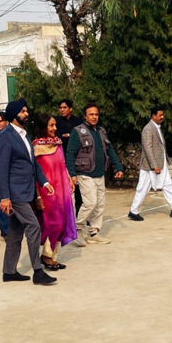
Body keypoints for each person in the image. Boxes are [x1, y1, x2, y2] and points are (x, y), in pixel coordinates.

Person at [0, 98, 57, 285]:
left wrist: (44, 182)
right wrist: (5, 197)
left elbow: (32, 163)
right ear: (14, 115)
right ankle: (38, 271)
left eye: (26, 110)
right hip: (15, 193)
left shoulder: (24, 135)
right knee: (33, 226)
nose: (26, 113)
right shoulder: (5, 136)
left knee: (15, 232)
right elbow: (0, 168)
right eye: (22, 111)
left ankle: (9, 271)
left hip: (26, 190)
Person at [65, 103, 125, 246]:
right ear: (85, 116)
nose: (94, 117)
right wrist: (72, 174)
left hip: (99, 173)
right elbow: (70, 153)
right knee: (90, 203)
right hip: (85, 174)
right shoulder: (78, 132)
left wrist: (118, 166)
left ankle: (94, 233)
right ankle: (77, 229)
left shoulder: (101, 131)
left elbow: (110, 150)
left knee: (99, 205)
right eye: (91, 114)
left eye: (96, 114)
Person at [32, 113, 78, 270]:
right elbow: (34, 174)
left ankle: (52, 256)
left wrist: (69, 179)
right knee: (53, 224)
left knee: (62, 222)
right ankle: (46, 256)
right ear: (43, 127)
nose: (54, 128)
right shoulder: (36, 148)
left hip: (62, 191)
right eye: (51, 125)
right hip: (47, 193)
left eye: (55, 125)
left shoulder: (58, 144)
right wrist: (38, 196)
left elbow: (63, 164)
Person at [128, 106, 172, 221]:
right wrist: (154, 165)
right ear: (153, 116)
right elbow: (148, 148)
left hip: (161, 163)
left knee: (168, 186)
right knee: (142, 188)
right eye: (160, 115)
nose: (162, 117)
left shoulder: (157, 127)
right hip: (150, 166)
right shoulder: (148, 129)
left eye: (162, 115)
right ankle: (133, 211)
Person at [54, 99, 84, 215]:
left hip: (77, 159)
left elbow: (80, 138)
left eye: (64, 107)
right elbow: (57, 138)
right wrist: (67, 137)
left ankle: (80, 216)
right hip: (61, 159)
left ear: (70, 109)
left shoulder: (78, 122)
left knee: (79, 191)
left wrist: (68, 136)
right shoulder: (56, 122)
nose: (62, 110)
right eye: (60, 108)